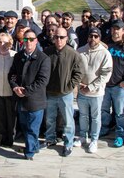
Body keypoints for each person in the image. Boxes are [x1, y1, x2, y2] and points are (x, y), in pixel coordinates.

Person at [8, 30, 51, 160]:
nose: (28, 42)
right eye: (26, 39)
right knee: (25, 125)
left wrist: (25, 91)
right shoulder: (18, 56)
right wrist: (15, 88)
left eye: (31, 39)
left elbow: (42, 81)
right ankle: (34, 146)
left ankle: (29, 152)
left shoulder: (44, 59)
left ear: (36, 41)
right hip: (20, 99)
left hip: (35, 101)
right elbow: (12, 75)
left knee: (32, 128)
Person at [42, 28, 82, 157]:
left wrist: (69, 86)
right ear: (53, 38)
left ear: (66, 38)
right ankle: (50, 139)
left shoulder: (73, 54)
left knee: (68, 121)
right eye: (57, 37)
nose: (59, 40)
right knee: (49, 118)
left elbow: (78, 73)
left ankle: (68, 143)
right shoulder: (47, 52)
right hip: (50, 93)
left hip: (65, 94)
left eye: (62, 37)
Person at [101, 19, 124, 147]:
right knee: (104, 110)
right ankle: (104, 129)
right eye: (113, 29)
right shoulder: (106, 43)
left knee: (120, 113)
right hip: (105, 85)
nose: (115, 31)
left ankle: (120, 134)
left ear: (123, 31)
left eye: (118, 29)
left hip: (119, 87)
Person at [76, 27, 113, 153]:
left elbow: (105, 75)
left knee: (96, 117)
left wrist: (91, 87)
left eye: (96, 36)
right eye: (91, 36)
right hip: (82, 91)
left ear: (100, 38)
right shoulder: (80, 51)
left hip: (96, 93)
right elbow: (75, 70)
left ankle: (94, 140)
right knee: (83, 115)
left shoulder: (105, 53)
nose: (93, 39)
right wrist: (79, 84)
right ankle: (83, 136)